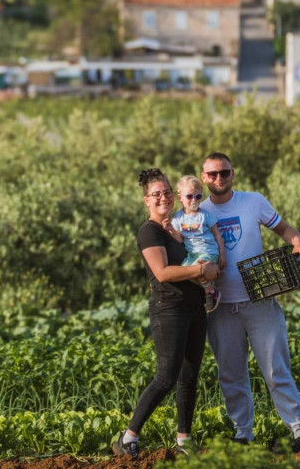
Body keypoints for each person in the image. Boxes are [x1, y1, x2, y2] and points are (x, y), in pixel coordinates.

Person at [199, 152, 300, 452]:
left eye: (224, 173)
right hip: (221, 307)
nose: (219, 179)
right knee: (230, 375)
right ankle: (242, 435)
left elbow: (283, 229)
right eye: (212, 174)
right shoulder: (199, 212)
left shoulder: (253, 201)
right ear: (203, 178)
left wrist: (297, 240)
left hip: (259, 301)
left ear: (232, 174)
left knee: (276, 370)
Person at [112, 168, 220, 459]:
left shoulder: (177, 227)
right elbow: (162, 272)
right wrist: (200, 269)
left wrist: (209, 270)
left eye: (168, 192)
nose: (164, 197)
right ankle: (127, 437)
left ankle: (184, 441)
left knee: (189, 375)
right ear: (146, 200)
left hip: (194, 306)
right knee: (166, 376)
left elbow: (199, 249)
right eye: (156, 194)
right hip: (168, 309)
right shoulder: (150, 231)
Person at [163, 175, 226, 313]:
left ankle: (209, 291)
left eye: (198, 197)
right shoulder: (179, 218)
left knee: (196, 268)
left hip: (208, 252)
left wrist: (222, 254)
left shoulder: (205, 215)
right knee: (184, 271)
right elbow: (179, 239)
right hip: (192, 254)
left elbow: (217, 235)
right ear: (180, 198)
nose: (194, 200)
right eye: (189, 196)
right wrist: (170, 230)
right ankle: (210, 288)